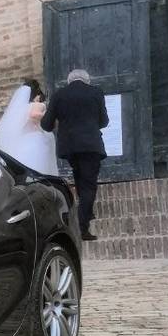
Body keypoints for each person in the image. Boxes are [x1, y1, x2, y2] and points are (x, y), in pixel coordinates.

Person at [41, 69, 110, 241]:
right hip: (90, 145)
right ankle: (82, 227)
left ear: (69, 80)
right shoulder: (95, 92)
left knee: (80, 180)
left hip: (70, 146)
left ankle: (85, 214)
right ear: (86, 80)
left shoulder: (59, 95)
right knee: (88, 185)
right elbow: (104, 121)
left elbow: (47, 125)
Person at [0, 79, 59, 176]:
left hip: (24, 140)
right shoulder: (38, 105)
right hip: (36, 139)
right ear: (36, 94)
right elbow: (33, 115)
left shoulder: (18, 111)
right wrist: (48, 116)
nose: (40, 98)